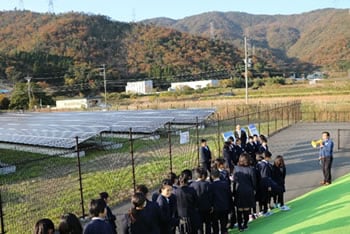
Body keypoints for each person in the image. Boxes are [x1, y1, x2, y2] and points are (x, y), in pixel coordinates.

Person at [233, 153, 257, 232]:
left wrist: (233, 191)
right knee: (246, 209)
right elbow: (254, 181)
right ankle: (245, 224)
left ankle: (240, 226)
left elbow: (234, 181)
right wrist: (254, 189)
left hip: (239, 190)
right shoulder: (251, 169)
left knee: (239, 209)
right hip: (248, 191)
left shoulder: (236, 168)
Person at [190, 167, 213, 234]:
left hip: (197, 209)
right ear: (203, 176)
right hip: (207, 207)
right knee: (208, 224)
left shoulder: (192, 185)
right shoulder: (208, 184)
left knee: (199, 226)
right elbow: (211, 196)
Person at [210, 168, 231, 234]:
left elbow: (210, 197)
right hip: (224, 206)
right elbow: (229, 195)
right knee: (223, 222)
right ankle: (224, 231)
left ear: (212, 176)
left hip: (215, 207)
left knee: (215, 223)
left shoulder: (211, 186)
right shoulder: (225, 184)